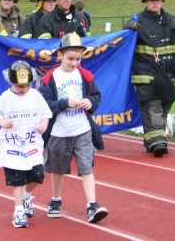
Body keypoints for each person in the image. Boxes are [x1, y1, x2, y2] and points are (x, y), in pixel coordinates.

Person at [38, 32, 108, 223]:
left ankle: (92, 205)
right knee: (58, 169)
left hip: (82, 129)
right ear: (60, 55)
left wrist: (89, 102)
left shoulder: (85, 76)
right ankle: (55, 200)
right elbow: (44, 104)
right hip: (59, 131)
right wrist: (63, 103)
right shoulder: (50, 79)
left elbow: (97, 96)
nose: (74, 63)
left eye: (78, 59)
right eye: (70, 58)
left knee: (87, 167)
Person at [125, 0, 175, 157]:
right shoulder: (137, 22)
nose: (155, 3)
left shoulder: (173, 21)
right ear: (144, 1)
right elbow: (123, 42)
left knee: (164, 107)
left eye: (158, 0)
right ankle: (158, 142)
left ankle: (153, 139)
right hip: (145, 75)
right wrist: (128, 29)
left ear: (163, 0)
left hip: (168, 75)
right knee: (152, 106)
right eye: (150, 0)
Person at [0, 61, 51, 228]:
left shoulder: (36, 95)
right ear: (11, 83)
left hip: (32, 143)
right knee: (17, 178)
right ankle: (18, 211)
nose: (23, 89)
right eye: (19, 86)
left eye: (27, 85)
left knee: (38, 175)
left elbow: (46, 113)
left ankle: (25, 196)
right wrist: (3, 123)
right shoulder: (5, 97)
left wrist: (43, 125)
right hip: (12, 145)